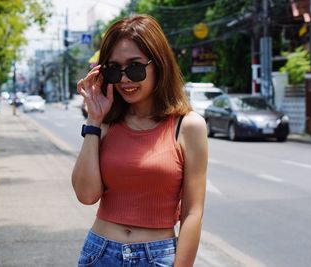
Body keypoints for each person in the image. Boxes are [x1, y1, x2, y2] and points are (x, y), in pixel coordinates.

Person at [72, 14, 208, 267]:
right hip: (101, 253)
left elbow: (192, 213)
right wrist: (93, 121)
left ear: (158, 65)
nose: (125, 79)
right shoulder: (105, 124)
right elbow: (86, 195)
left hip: (157, 257)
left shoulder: (188, 126)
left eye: (135, 67)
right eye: (114, 70)